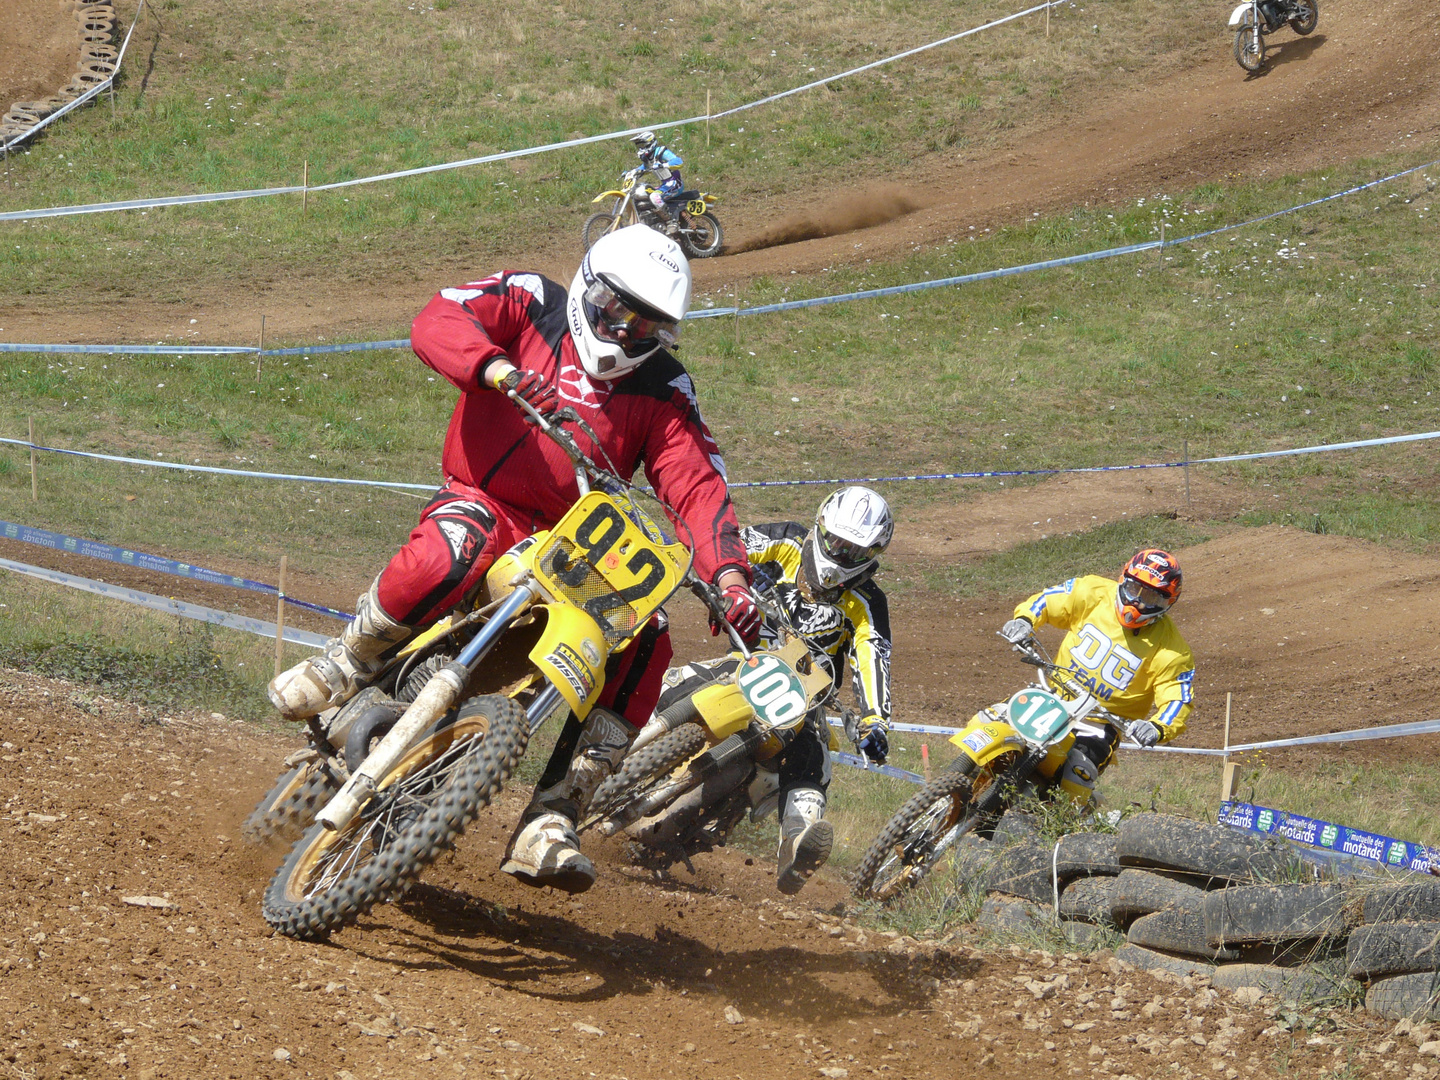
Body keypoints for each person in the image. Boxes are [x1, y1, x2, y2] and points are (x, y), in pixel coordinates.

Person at [268, 224, 761, 894]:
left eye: (645, 328)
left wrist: (728, 573)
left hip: (571, 542)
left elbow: (697, 481)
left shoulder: (666, 389)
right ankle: (347, 660)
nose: (624, 335)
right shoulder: (533, 301)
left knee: (647, 639)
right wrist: (496, 369)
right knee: (450, 549)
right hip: (484, 499)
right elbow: (439, 319)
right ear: (591, 288)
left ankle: (556, 811)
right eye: (618, 313)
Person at [655, 486, 896, 894]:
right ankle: (615, 749)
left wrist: (875, 720)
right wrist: (728, 574)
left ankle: (798, 841)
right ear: (820, 526)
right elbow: (723, 547)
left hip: (803, 701)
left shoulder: (867, 601)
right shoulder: (784, 541)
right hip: (744, 662)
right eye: (835, 541)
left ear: (871, 556)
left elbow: (873, 655)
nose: (839, 555)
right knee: (677, 682)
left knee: (814, 757)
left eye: (853, 551)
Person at [997, 548, 1194, 803]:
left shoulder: (1173, 650)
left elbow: (1178, 697)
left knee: (1075, 776)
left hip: (1101, 723)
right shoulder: (1093, 592)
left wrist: (1156, 727)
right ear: (1123, 580)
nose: (1139, 603)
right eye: (1136, 590)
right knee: (994, 722)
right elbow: (1049, 600)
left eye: (1153, 597)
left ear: (1169, 602)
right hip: (1052, 695)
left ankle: (1063, 828)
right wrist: (1025, 620)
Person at [630, 130, 687, 234]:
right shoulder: (648, 158)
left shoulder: (661, 152)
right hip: (665, 185)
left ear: (650, 143)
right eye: (639, 146)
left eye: (642, 145)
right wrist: (632, 172)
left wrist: (663, 165)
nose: (641, 148)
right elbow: (644, 168)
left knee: (654, 197)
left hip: (674, 183)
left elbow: (679, 162)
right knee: (643, 195)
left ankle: (671, 222)